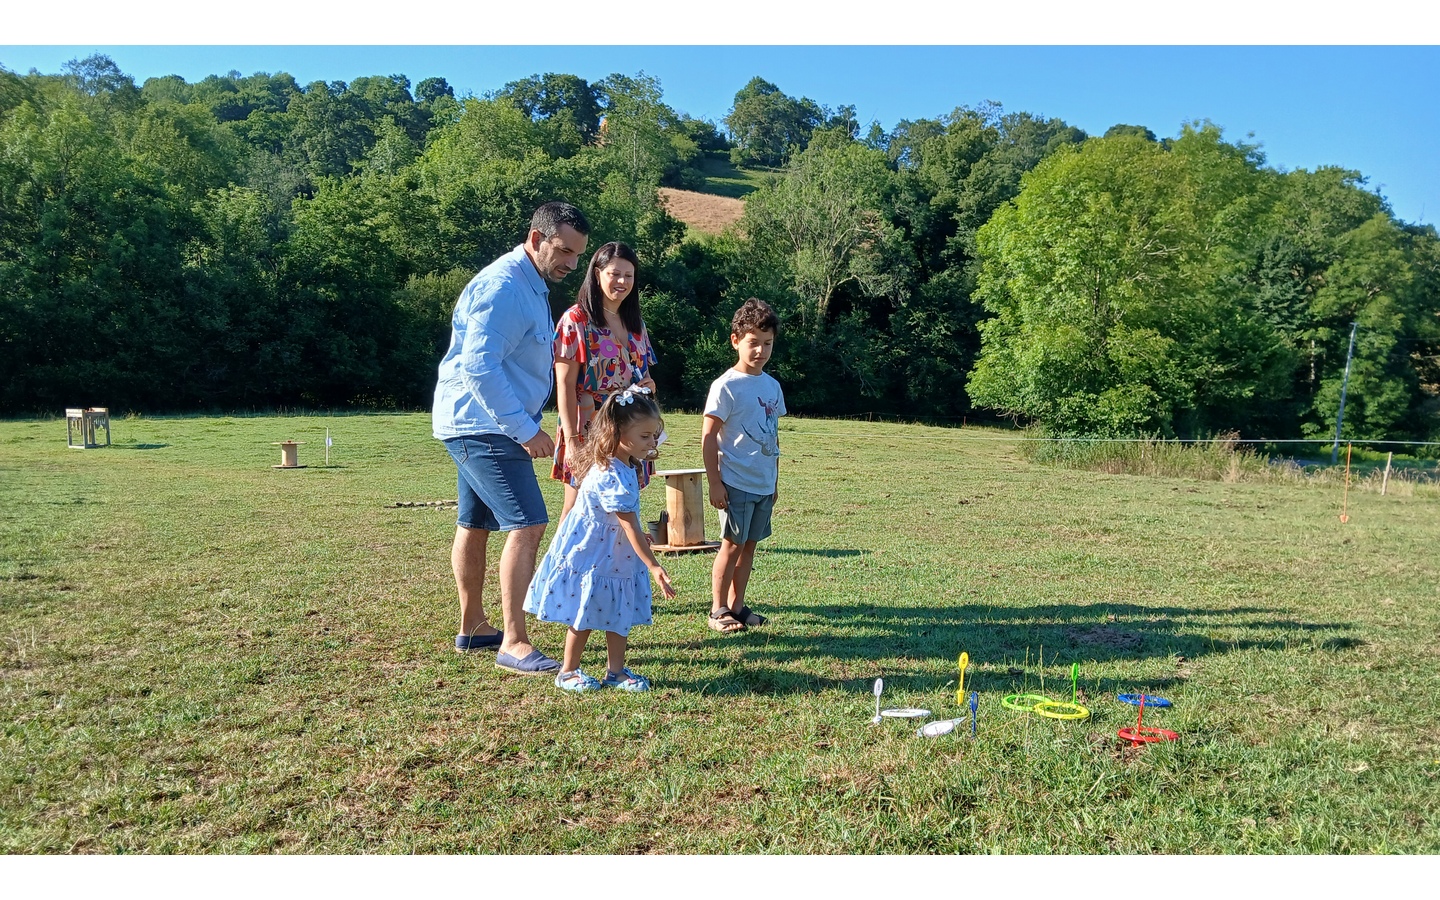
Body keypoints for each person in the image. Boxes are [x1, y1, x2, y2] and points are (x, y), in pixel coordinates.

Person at [432, 201, 589, 674]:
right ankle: (514, 642)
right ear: (537, 238)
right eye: (564, 251)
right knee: (528, 523)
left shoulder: (529, 283)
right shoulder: (503, 286)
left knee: (474, 523)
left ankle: (475, 626)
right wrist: (525, 430)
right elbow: (479, 367)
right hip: (485, 425)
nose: (571, 263)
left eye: (578, 256)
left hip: (478, 422)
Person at [524, 386, 676, 692]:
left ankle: (615, 671)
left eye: (653, 435)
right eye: (645, 436)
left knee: (618, 612)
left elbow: (624, 520)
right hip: (594, 555)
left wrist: (634, 535)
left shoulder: (625, 464)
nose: (652, 443)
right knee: (586, 613)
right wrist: (654, 565)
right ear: (618, 431)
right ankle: (568, 671)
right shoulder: (611, 473)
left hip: (615, 554)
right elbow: (628, 524)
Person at [551, 241, 659, 524]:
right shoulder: (576, 319)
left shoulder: (636, 324)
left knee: (622, 506)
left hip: (630, 428)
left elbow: (639, 373)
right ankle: (561, 567)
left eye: (629, 275)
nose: (622, 281)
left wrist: (648, 385)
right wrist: (573, 441)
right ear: (597, 274)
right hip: (589, 428)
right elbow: (564, 384)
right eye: (614, 273)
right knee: (578, 508)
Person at [702, 298, 786, 634]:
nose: (760, 351)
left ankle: (737, 606)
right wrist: (714, 482)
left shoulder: (772, 386)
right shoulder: (726, 386)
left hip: (763, 482)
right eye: (753, 343)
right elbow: (708, 437)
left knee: (750, 546)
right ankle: (717, 609)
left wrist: (775, 481)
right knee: (732, 545)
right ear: (736, 340)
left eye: (767, 344)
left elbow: (773, 438)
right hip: (734, 481)